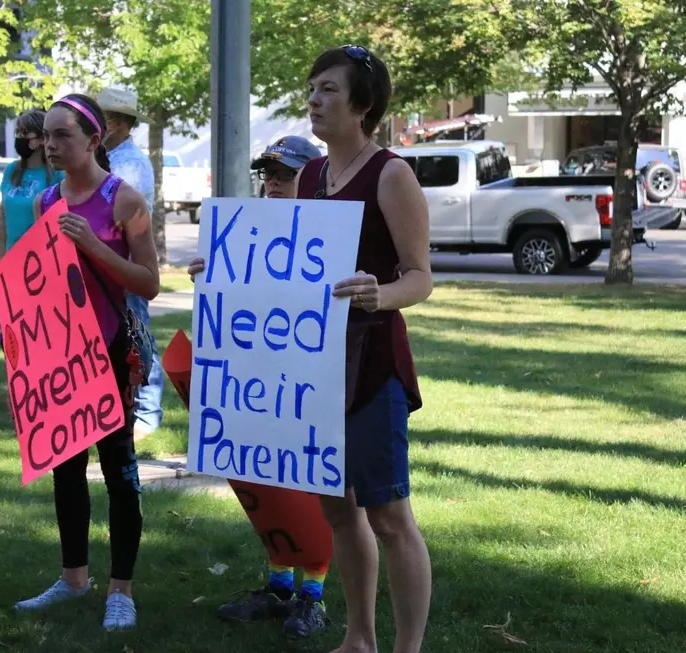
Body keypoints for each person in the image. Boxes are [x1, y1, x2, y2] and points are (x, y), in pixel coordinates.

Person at [300, 46, 432, 653]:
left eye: (328, 89)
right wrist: (224, 272)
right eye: (312, 88)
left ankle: (406, 648)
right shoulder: (307, 176)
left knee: (388, 516)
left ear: (363, 104)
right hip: (317, 365)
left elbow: (419, 277)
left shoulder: (391, 174)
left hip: (373, 366)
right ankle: (359, 637)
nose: (314, 99)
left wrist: (377, 295)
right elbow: (292, 268)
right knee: (337, 509)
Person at [14, 93, 159, 632]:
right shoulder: (44, 201)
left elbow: (150, 282)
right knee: (66, 471)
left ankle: (121, 589)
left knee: (120, 472)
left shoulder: (125, 201)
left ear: (94, 139)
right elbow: (41, 289)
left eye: (62, 136)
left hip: (113, 353)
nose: (50, 146)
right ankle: (74, 579)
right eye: (46, 136)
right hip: (61, 357)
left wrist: (94, 247)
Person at [190, 135, 333, 638]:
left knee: (310, 480)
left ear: (312, 181)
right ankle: (276, 586)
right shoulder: (245, 235)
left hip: (306, 386)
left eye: (285, 175)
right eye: (267, 174)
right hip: (256, 386)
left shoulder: (328, 239)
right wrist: (213, 276)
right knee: (264, 475)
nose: (272, 183)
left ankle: (312, 594)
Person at [96, 86, 163, 439]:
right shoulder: (111, 158)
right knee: (126, 333)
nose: (99, 127)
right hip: (113, 262)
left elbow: (121, 220)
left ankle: (148, 412)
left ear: (122, 124)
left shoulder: (128, 164)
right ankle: (125, 405)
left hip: (129, 262)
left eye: (104, 119)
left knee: (138, 334)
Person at [0, 109, 63, 259]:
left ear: (42, 139)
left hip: (43, 260)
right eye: (18, 132)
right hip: (12, 258)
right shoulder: (11, 170)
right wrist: (1, 256)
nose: (20, 137)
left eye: (25, 132)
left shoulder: (57, 175)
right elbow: (3, 218)